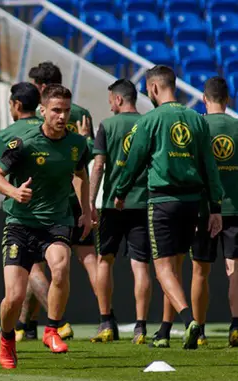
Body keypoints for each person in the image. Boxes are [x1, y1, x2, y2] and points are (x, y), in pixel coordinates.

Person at [110, 65, 223, 350]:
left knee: (162, 270)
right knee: (175, 268)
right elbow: (210, 167)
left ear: (155, 88)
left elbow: (133, 160)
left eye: (148, 88)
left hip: (162, 201)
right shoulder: (197, 120)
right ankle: (163, 331)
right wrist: (215, 206)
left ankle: (190, 321)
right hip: (192, 203)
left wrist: (120, 191)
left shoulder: (151, 120)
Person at [0, 84, 91, 369]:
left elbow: (81, 174)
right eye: (56, 110)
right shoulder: (24, 143)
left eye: (66, 111)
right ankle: (7, 339)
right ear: (42, 110)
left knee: (60, 266)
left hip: (57, 222)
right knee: (15, 297)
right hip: (20, 224)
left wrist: (85, 210)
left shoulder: (77, 144)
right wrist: (14, 192)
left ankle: (51, 330)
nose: (62, 116)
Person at [27, 61, 97, 340]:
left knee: (38, 266)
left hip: (48, 206)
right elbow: (88, 156)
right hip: (72, 204)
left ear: (42, 89)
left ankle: (55, 323)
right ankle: (107, 318)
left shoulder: (32, 119)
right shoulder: (83, 115)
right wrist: (87, 208)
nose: (62, 116)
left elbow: (81, 162)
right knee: (89, 259)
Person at [0, 82, 51, 342]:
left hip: (23, 213)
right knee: (36, 267)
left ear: (16, 105)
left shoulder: (9, 134)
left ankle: (57, 322)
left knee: (31, 270)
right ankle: (26, 324)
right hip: (54, 212)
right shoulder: (48, 129)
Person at [188, 77, 238, 348]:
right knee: (236, 271)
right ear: (228, 99)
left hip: (204, 208)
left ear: (204, 98)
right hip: (236, 206)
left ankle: (199, 330)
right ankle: (235, 325)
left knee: (199, 271)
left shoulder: (196, 125)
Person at [88, 79, 151, 344]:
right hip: (142, 203)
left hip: (113, 205)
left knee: (105, 260)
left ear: (118, 99)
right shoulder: (149, 123)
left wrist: (90, 202)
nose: (109, 104)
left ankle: (105, 323)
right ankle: (140, 327)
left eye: (110, 99)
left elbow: (99, 165)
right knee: (140, 265)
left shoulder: (108, 125)